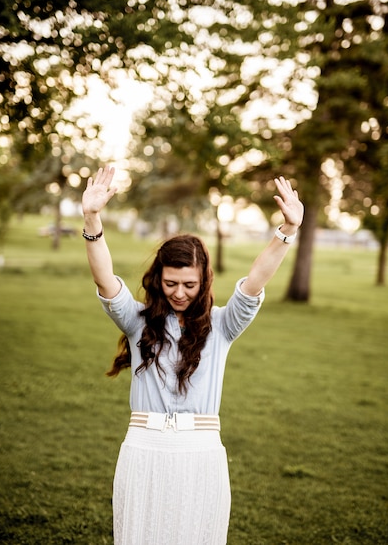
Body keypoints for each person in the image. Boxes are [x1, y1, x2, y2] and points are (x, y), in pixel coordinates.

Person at [82, 166, 304, 545]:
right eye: (170, 283)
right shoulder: (137, 322)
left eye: (189, 284)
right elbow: (105, 279)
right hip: (143, 450)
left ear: (203, 284)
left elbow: (255, 280)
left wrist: (287, 231)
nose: (180, 292)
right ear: (158, 279)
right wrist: (92, 218)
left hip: (201, 453)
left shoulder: (223, 325)